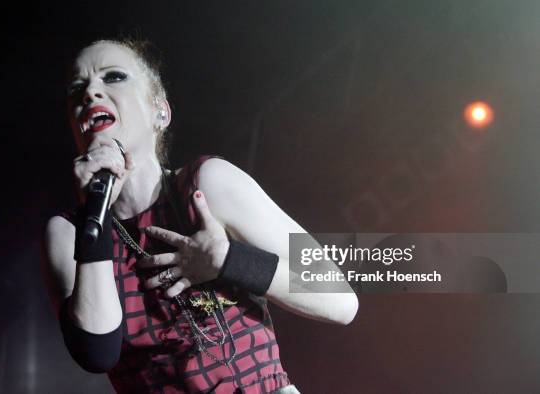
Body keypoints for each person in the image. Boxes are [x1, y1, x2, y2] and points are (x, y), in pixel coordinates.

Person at [41, 37, 358, 394]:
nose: (90, 94)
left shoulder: (206, 184)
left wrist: (228, 260)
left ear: (159, 111)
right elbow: (97, 353)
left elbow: (341, 301)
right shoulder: (68, 233)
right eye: (77, 89)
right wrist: (92, 220)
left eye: (112, 77)